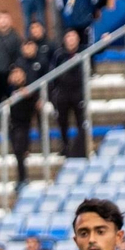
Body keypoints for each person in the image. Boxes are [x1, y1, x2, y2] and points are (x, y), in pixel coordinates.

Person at [50, 29, 87, 159]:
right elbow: (52, 74)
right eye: (68, 37)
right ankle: (65, 146)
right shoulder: (59, 55)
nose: (71, 40)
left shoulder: (84, 52)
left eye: (73, 37)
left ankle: (81, 148)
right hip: (63, 93)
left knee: (81, 122)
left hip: (78, 93)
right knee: (62, 122)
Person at [6, 65, 39, 184]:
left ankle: (23, 178)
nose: (16, 76)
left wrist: (28, 96)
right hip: (12, 123)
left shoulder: (30, 88)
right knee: (17, 151)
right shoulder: (9, 88)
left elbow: (35, 105)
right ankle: (21, 177)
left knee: (20, 149)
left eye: (19, 73)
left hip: (24, 123)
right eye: (14, 73)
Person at [0, 11, 21, 106]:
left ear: (10, 20)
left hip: (9, 73)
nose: (3, 21)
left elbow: (18, 57)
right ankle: (0, 120)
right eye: (0, 18)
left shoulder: (15, 37)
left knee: (12, 101)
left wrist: (15, 72)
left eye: (5, 18)